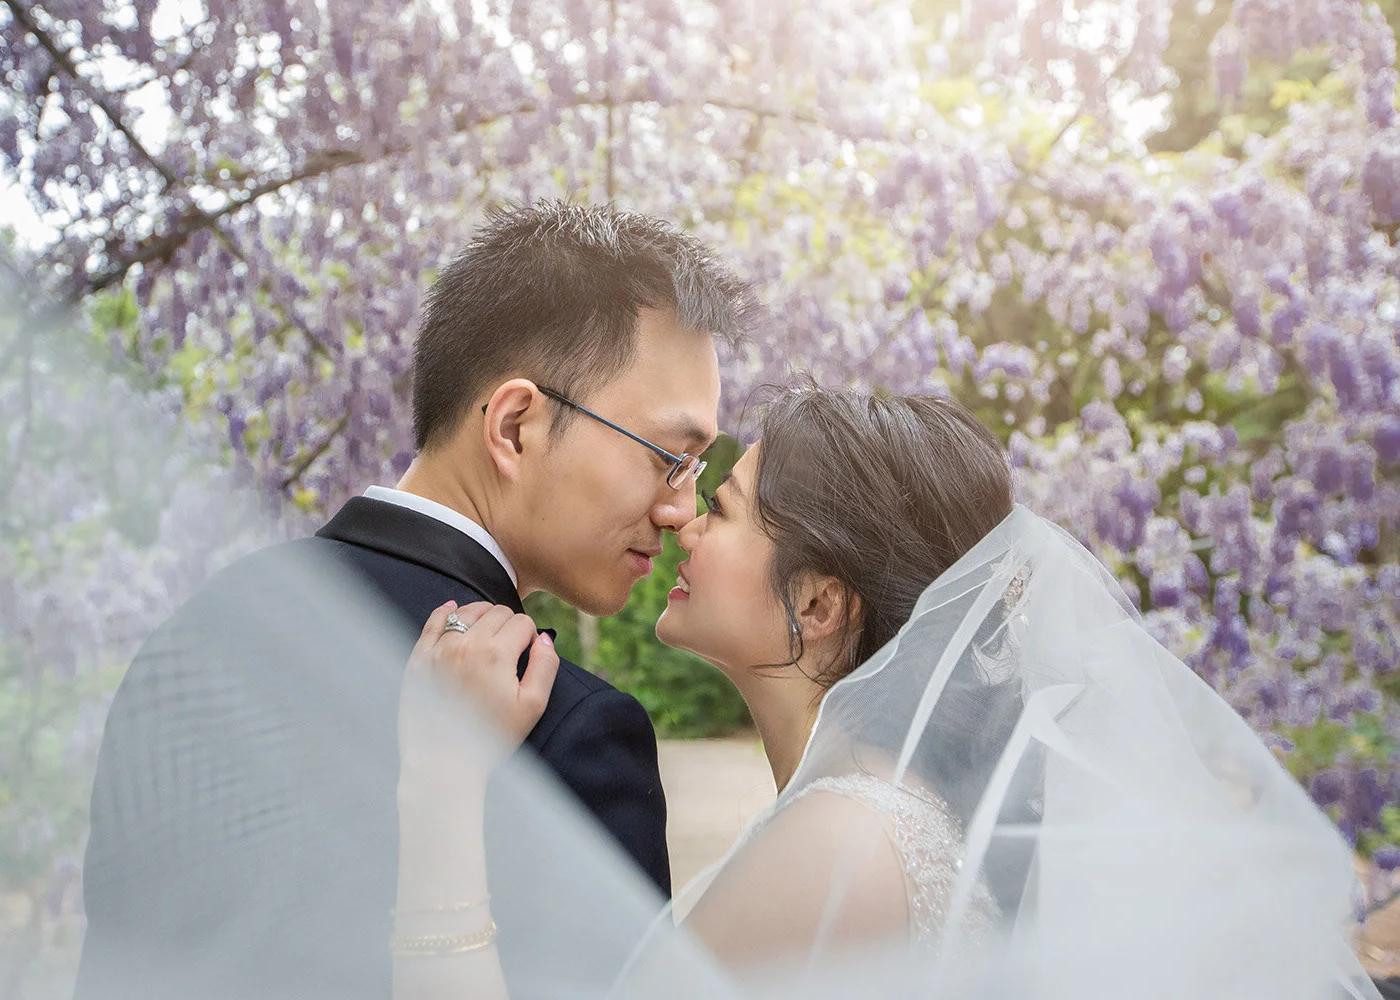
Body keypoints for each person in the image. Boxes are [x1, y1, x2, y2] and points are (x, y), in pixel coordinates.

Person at [391, 385, 1375, 1000]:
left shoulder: (845, 841)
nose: (684, 522)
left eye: (726, 510)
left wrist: (439, 777)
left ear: (818, 602)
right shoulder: (877, 821)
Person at [73, 201, 752, 1000]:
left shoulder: (200, 626)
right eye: (670, 456)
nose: (679, 508)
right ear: (515, 426)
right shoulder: (562, 723)